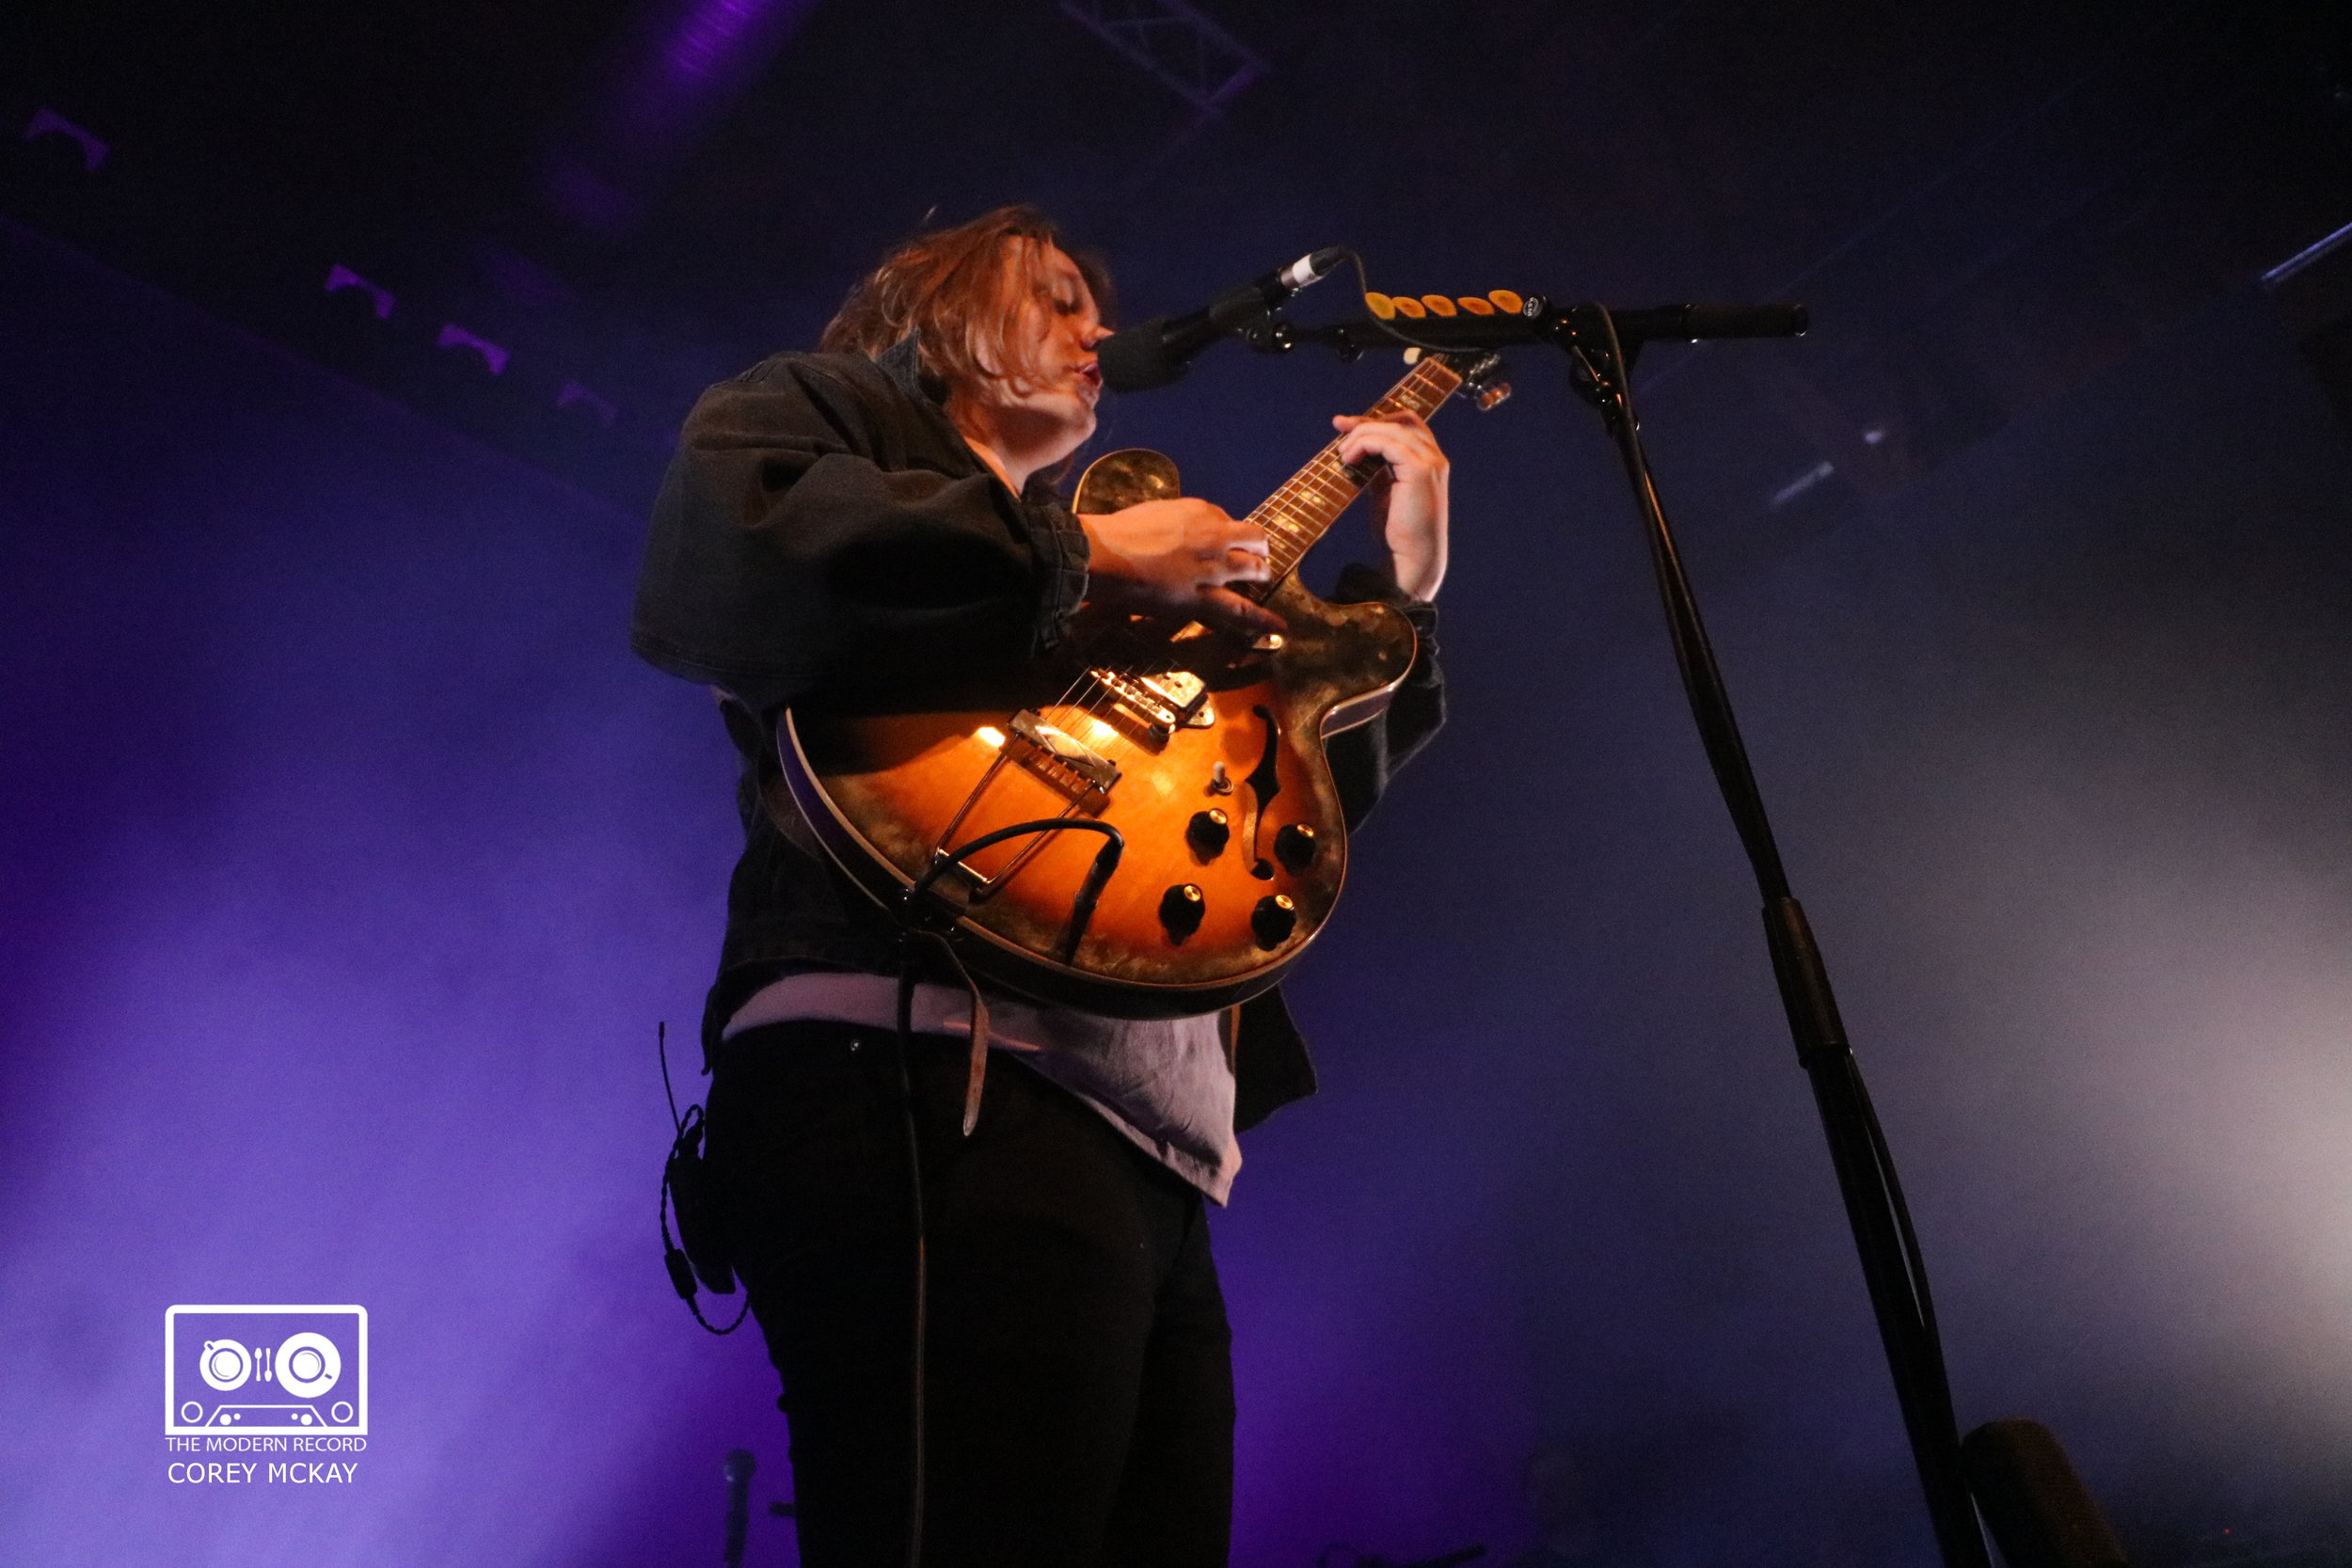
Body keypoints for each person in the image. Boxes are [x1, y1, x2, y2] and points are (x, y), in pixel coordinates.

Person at [631, 205, 1453, 1567]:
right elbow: (730, 553)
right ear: (938, 312)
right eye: (1059, 299)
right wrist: (1098, 561)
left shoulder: (1132, 558)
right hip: (922, 1076)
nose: (1099, 334)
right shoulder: (828, 411)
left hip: (1152, 1144)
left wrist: (1405, 588)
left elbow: (1265, 830)